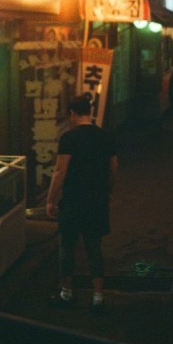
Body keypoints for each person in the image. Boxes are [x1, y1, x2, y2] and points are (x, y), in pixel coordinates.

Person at [46, 94, 118, 314]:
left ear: (72, 114)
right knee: (94, 247)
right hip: (96, 200)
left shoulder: (69, 138)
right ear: (89, 112)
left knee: (66, 246)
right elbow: (113, 168)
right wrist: (107, 190)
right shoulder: (105, 136)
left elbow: (60, 171)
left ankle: (66, 293)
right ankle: (98, 297)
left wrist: (51, 199)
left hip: (73, 200)